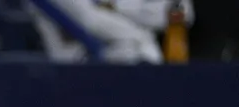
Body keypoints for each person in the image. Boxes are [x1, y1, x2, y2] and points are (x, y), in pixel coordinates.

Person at [25, 0, 194, 64]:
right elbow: (90, 21)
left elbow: (182, 12)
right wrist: (142, 25)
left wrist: (117, 7)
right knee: (139, 45)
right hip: (78, 63)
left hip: (133, 55)